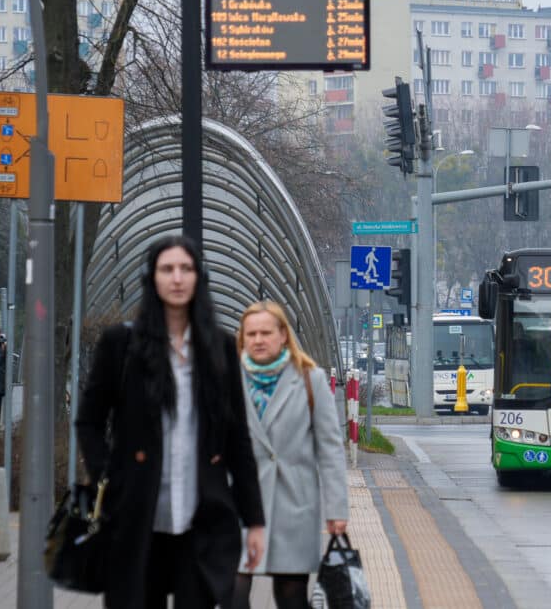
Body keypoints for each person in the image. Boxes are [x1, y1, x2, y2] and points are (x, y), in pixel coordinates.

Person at [76, 236, 266, 609]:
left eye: (186, 269)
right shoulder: (120, 345)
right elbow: (89, 421)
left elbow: (237, 440)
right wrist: (109, 476)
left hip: (202, 519)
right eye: (167, 269)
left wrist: (254, 520)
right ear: (153, 278)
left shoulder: (220, 348)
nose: (177, 278)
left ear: (198, 278)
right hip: (135, 515)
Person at [232, 301, 348, 609]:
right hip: (239, 505)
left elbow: (330, 449)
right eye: (251, 333)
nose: (258, 340)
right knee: (233, 593)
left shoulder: (310, 380)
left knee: (291, 598)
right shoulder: (227, 381)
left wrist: (337, 509)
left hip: (293, 505)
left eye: (266, 332)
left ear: (283, 335)